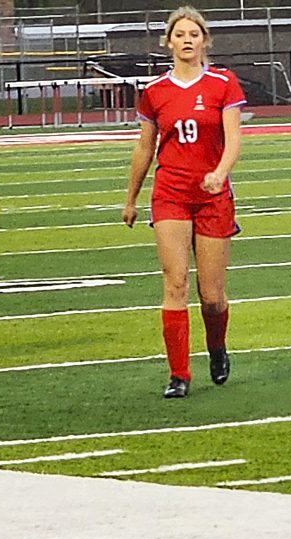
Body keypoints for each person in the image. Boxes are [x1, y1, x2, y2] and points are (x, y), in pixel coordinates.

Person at [122, 6, 245, 398]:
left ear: (204, 40)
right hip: (170, 193)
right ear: (169, 41)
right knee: (175, 283)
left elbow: (234, 139)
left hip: (212, 197)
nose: (187, 40)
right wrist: (130, 198)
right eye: (180, 34)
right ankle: (179, 374)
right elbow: (144, 148)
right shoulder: (155, 92)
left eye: (194, 34)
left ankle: (217, 346)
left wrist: (220, 172)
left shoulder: (223, 83)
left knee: (211, 296)